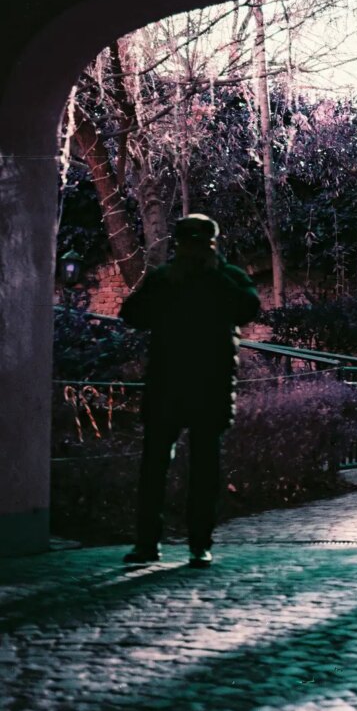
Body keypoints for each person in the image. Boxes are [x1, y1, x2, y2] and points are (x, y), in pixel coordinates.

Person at [119, 214, 261, 568]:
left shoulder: (224, 277)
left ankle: (189, 544)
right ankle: (161, 543)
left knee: (197, 470)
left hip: (199, 386)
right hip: (176, 384)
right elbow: (132, 314)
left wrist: (212, 277)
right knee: (163, 468)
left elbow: (249, 308)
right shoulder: (168, 279)